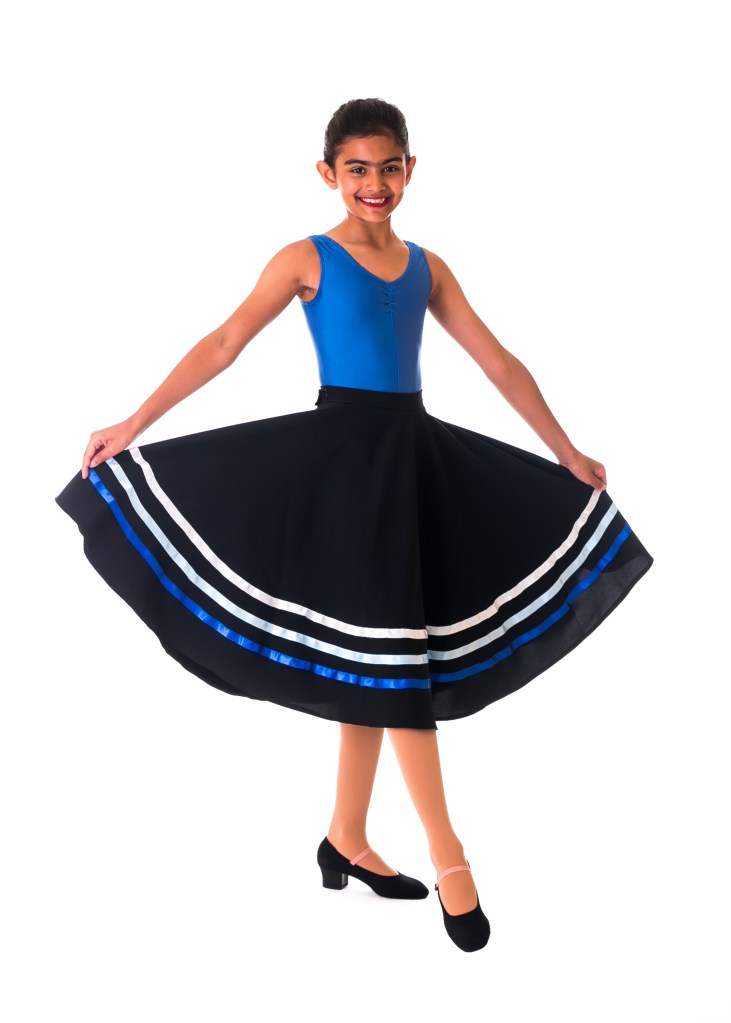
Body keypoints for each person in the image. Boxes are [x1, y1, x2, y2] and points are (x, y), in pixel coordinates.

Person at [55, 97, 653, 953]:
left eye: (389, 167)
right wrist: (133, 422)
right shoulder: (307, 256)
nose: (375, 183)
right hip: (341, 471)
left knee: (377, 660)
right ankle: (450, 858)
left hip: (412, 461)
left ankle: (346, 836)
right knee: (393, 664)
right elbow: (224, 342)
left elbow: (496, 360)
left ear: (411, 169)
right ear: (328, 173)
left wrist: (564, 449)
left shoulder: (427, 267)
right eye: (358, 169)